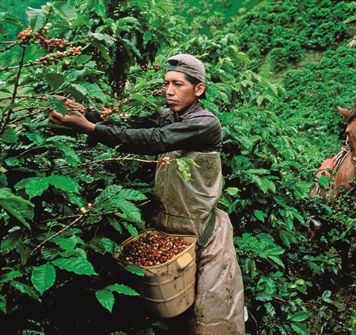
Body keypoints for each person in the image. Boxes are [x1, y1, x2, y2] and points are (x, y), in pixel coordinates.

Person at [49, 54, 245, 334]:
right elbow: (133, 127)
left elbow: (156, 140)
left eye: (178, 84)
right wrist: (88, 114)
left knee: (211, 309)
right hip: (167, 226)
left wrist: (90, 129)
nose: (169, 91)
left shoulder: (204, 123)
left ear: (198, 89)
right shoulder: (169, 115)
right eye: (167, 83)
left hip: (202, 229)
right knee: (168, 303)